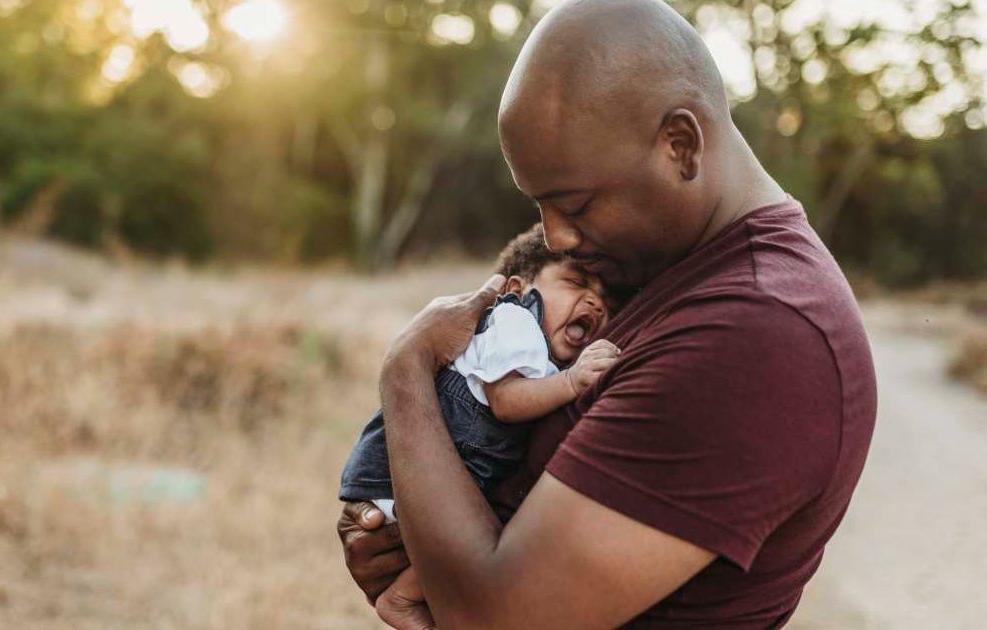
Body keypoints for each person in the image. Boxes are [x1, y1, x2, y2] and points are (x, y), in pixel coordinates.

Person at [336, 0, 877, 628]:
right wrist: (411, 530)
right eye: (541, 206)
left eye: (577, 204)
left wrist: (405, 370)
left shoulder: (759, 331)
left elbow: (492, 619)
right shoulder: (659, 270)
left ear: (680, 144)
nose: (557, 238)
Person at [339, 224, 619, 629]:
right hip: (415, 471)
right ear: (518, 288)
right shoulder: (516, 322)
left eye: (607, 301)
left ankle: (406, 595)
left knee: (464, 538)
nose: (594, 301)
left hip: (450, 469)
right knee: (460, 538)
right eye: (576, 281)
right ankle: (401, 598)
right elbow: (505, 401)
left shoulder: (545, 355)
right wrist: (573, 382)